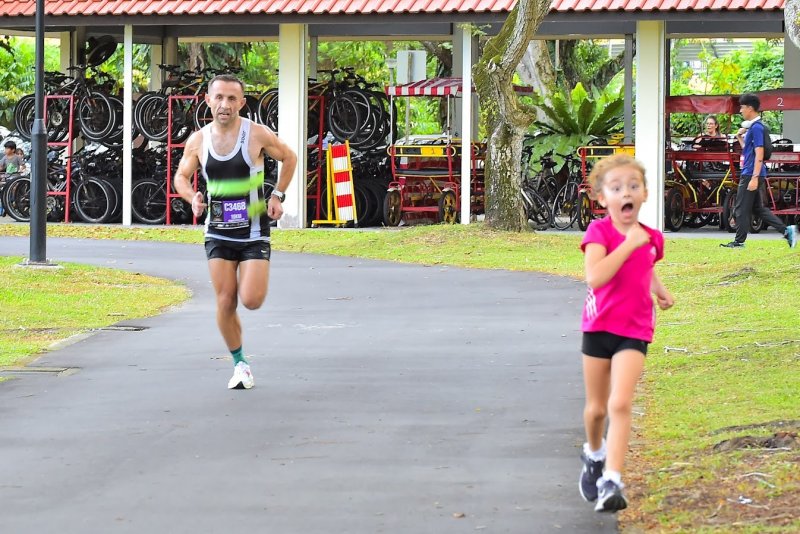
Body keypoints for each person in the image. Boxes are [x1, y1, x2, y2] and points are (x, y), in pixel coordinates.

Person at [173, 74, 297, 389]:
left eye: (232, 99)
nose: (225, 104)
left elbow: (290, 157)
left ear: (241, 103)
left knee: (251, 300)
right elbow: (181, 177)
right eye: (219, 98)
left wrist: (277, 195)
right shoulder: (198, 140)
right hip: (217, 232)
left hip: (254, 231)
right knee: (226, 301)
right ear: (208, 100)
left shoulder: (256, 134)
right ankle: (240, 364)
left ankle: (241, 359)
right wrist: (193, 197)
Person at [578, 154, 674, 513]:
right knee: (596, 410)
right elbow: (596, 277)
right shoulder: (599, 232)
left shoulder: (651, 238)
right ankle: (594, 455)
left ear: (645, 193)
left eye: (633, 186)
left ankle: (612, 480)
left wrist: (659, 290)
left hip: (634, 329)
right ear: (602, 198)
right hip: (598, 326)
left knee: (620, 403)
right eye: (616, 188)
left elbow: (644, 265)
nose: (626, 193)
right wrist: (628, 245)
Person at [721, 93, 797, 248]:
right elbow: (750, 152)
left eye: (742, 107)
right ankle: (787, 231)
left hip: (751, 173)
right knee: (758, 208)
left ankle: (739, 241)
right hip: (753, 171)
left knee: (741, 207)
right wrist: (740, 138)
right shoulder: (756, 127)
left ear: (750, 108)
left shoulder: (756, 128)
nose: (740, 110)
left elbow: (760, 153)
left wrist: (755, 177)